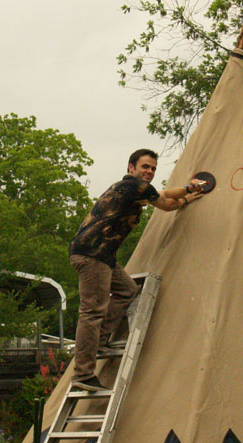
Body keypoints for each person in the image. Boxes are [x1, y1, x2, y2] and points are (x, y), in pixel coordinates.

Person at [69, 148, 207, 391]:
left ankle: (99, 340)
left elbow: (162, 196)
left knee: (127, 290)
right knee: (92, 311)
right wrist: (189, 189)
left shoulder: (133, 190)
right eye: (145, 167)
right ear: (131, 168)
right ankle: (82, 374)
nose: (150, 172)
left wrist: (185, 196)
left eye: (153, 168)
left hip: (103, 255)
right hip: (93, 253)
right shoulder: (133, 186)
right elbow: (164, 202)